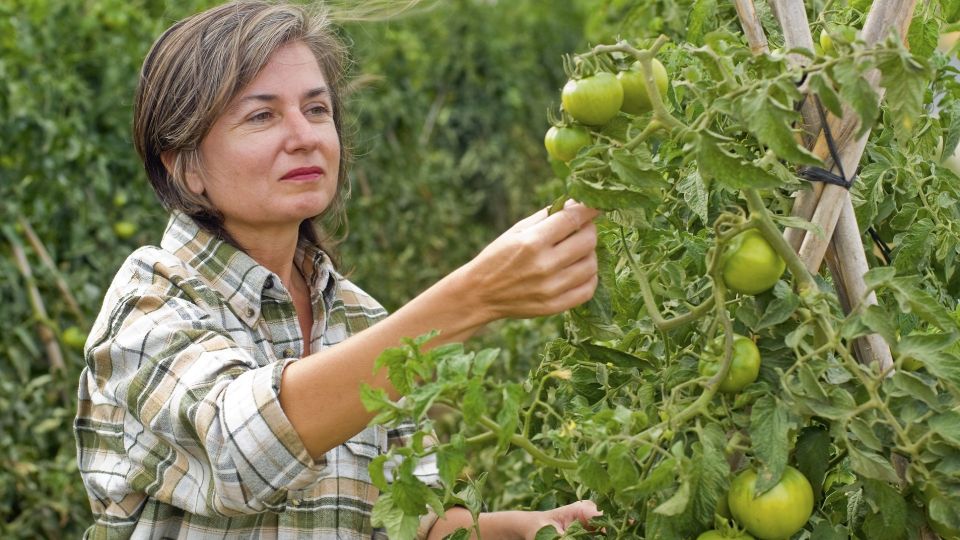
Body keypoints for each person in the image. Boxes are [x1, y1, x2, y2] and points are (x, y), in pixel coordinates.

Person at [74, 1, 601, 538]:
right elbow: (236, 452)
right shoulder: (150, 304)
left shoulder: (359, 318)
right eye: (262, 115)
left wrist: (516, 529)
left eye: (317, 109)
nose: (304, 136)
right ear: (185, 164)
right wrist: (474, 297)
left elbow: (403, 516)